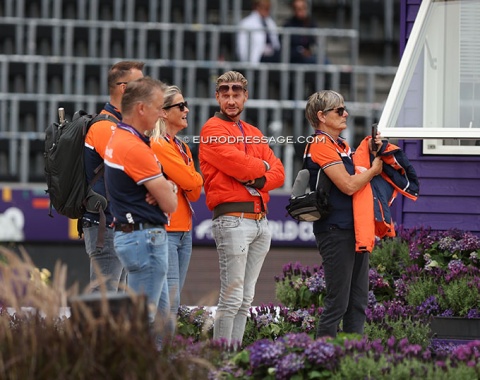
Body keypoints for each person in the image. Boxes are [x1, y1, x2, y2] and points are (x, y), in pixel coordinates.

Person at [199, 70, 285, 348]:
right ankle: (221, 361)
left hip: (260, 221)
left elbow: (280, 173)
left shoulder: (254, 132)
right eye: (225, 94)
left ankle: (232, 360)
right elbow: (239, 165)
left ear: (246, 97)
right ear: (217, 97)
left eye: (236, 94)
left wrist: (255, 176)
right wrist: (261, 170)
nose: (231, 99)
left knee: (246, 299)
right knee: (232, 297)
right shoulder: (212, 129)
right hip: (232, 219)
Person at [303, 90, 383, 338]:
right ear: (321, 116)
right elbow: (348, 185)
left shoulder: (341, 145)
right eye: (339, 110)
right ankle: (324, 360)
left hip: (354, 229)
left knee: (358, 301)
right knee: (338, 302)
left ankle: (352, 361)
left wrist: (370, 148)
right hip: (335, 230)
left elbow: (355, 166)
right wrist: (374, 170)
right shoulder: (319, 144)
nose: (345, 113)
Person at [104, 77, 178, 327]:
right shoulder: (135, 148)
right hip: (145, 240)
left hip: (134, 237)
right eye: (159, 106)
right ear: (141, 108)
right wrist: (168, 188)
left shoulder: (119, 137)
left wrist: (166, 186)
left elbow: (166, 193)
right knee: (140, 324)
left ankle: (157, 366)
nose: (161, 113)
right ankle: (129, 367)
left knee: (162, 322)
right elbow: (170, 205)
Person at [83, 60, 145, 292]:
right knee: (104, 306)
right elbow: (131, 170)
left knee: (118, 308)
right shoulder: (105, 127)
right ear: (123, 88)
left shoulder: (120, 125)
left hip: (116, 224)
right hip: (106, 225)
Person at [149, 85, 203, 335]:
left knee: (172, 303)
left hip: (183, 232)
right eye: (180, 106)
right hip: (165, 231)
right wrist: (189, 179)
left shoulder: (180, 146)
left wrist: (187, 180)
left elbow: (194, 190)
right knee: (167, 305)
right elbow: (193, 182)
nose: (186, 110)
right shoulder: (159, 144)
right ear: (163, 112)